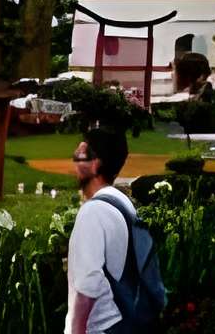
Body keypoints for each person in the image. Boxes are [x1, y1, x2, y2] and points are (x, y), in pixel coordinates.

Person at [67, 121, 143, 334]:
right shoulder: (122, 203)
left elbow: (87, 285)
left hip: (99, 327)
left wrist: (75, 331)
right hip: (121, 320)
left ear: (95, 164)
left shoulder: (93, 213)